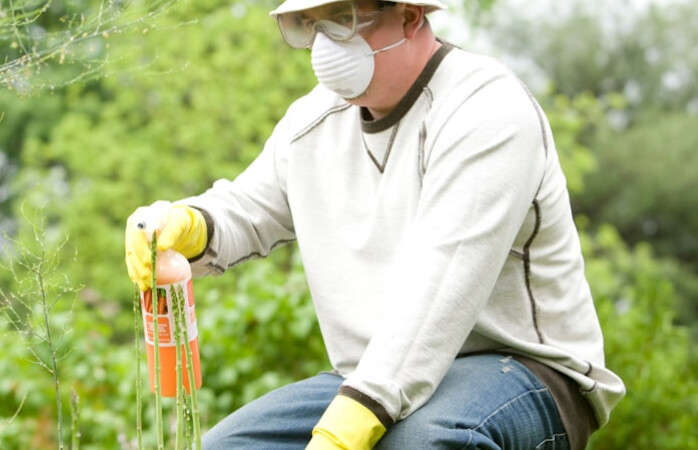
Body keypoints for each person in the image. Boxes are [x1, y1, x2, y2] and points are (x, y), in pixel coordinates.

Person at [123, 0, 625, 448]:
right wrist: (190, 224)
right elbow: (249, 210)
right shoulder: (311, 123)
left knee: (421, 441)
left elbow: (440, 291)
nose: (323, 45)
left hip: (524, 370)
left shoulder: (486, 110)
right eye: (311, 24)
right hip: (375, 375)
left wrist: (344, 432)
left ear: (410, 15)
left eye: (343, 20)